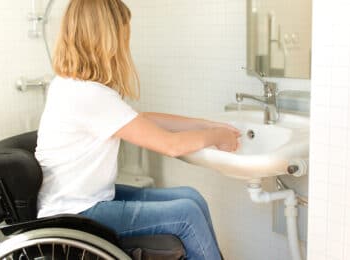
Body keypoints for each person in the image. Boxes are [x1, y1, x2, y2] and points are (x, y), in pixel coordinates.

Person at [35, 0, 241, 259]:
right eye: (123, 33)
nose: (125, 42)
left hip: (82, 201)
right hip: (76, 214)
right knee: (187, 215)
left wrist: (205, 125)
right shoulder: (88, 94)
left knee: (192, 197)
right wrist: (215, 136)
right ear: (106, 37)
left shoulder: (71, 85)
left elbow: (140, 120)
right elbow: (171, 145)